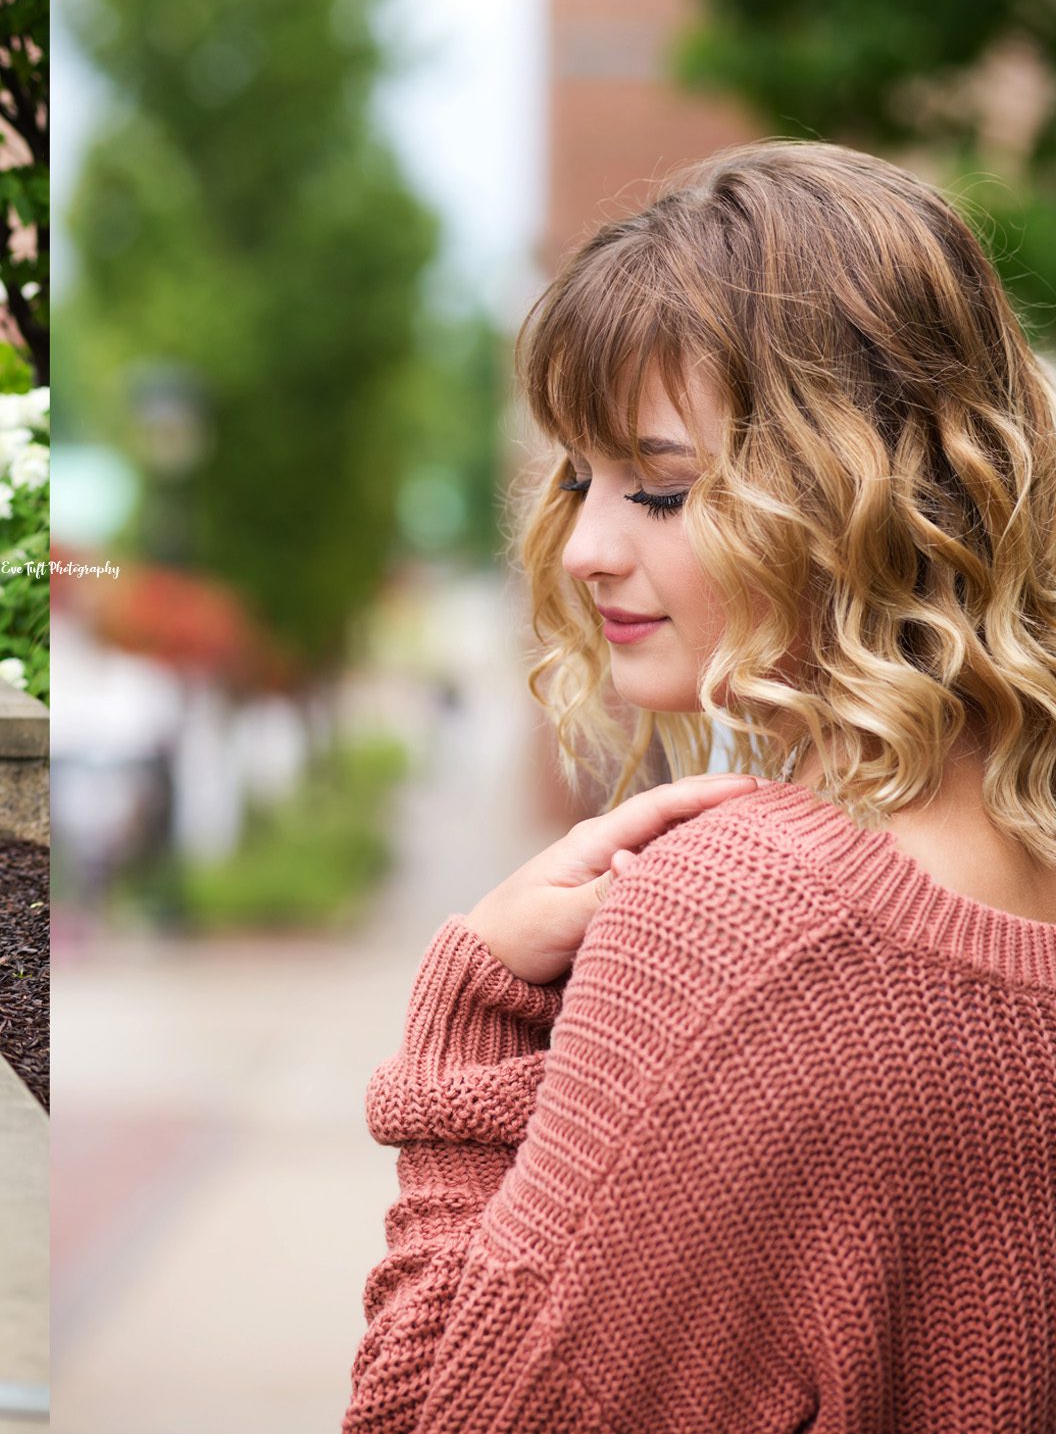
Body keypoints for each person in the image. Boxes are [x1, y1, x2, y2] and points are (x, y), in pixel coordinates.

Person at [344, 141, 1056, 1430]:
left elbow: (429, 1419)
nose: (585, 549)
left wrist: (469, 1018)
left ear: (865, 494)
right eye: (576, 476)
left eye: (661, 490)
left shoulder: (742, 928)